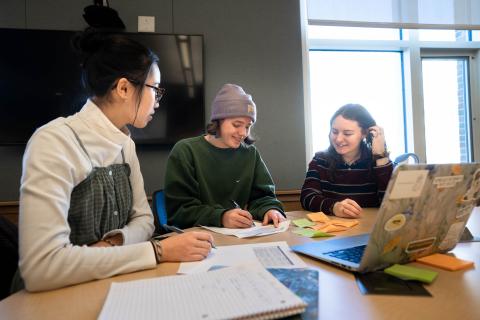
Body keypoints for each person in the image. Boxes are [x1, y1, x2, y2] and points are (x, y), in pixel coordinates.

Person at [17, 29, 213, 292]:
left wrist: (112, 244)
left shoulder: (125, 145)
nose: (158, 101)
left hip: (109, 285)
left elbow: (144, 220)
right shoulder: (53, 141)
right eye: (156, 90)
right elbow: (42, 267)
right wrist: (156, 251)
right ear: (123, 88)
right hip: (53, 297)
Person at [164, 84, 285, 229]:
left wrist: (270, 209)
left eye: (247, 126)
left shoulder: (250, 154)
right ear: (218, 121)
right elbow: (180, 211)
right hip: (195, 240)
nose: (243, 133)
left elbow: (264, 197)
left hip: (237, 239)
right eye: (236, 124)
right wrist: (221, 217)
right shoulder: (185, 151)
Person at [301, 104, 393, 218]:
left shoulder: (379, 162)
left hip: (369, 229)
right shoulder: (320, 160)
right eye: (334, 132)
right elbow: (307, 197)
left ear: (364, 133)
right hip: (334, 231)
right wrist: (334, 207)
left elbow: (391, 203)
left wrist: (380, 156)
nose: (338, 139)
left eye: (347, 133)